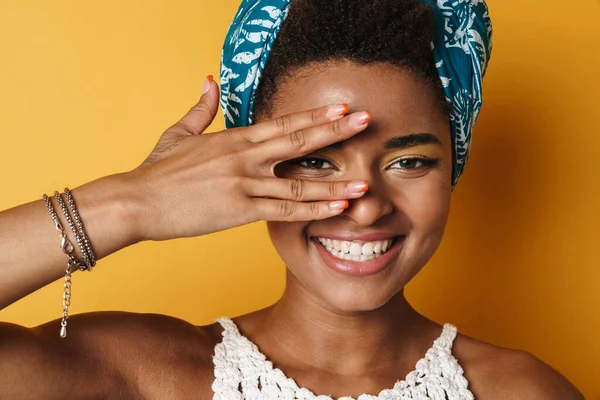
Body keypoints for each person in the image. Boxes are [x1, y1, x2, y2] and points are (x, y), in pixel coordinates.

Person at [0, 0, 585, 398]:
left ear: (452, 167)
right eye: (315, 161)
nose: (364, 204)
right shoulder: (146, 374)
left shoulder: (523, 390)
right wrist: (131, 203)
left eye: (409, 161)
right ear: (246, 172)